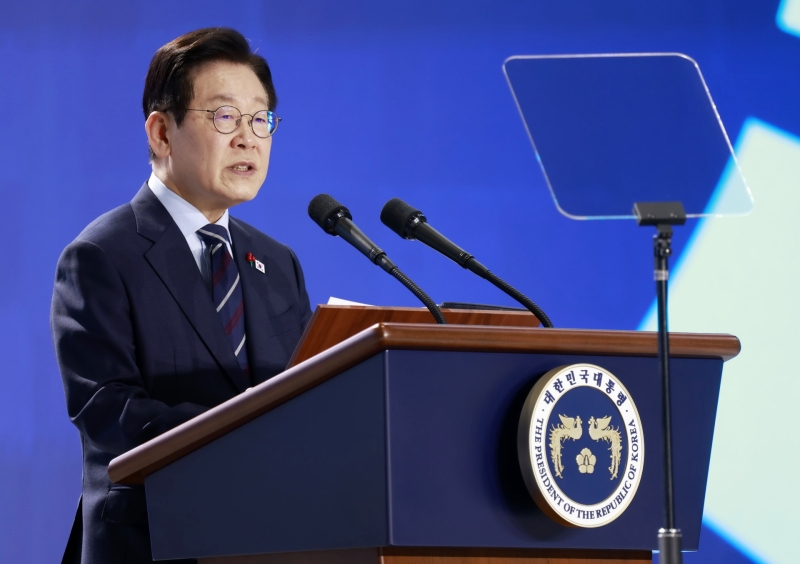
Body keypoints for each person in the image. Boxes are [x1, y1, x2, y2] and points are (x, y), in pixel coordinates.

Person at [51, 28, 313, 564]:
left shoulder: (277, 263)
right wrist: (244, 432)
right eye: (225, 117)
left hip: (271, 542)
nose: (248, 138)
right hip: (155, 542)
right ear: (161, 133)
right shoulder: (101, 255)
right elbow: (107, 412)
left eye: (260, 119)